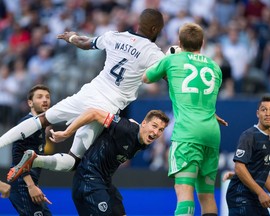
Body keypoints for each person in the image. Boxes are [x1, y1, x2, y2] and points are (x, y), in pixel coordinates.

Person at [0, 8, 165, 180]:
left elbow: (85, 43)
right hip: (104, 108)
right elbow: (170, 76)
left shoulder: (115, 36)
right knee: (73, 160)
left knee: (42, 119)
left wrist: (71, 37)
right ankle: (36, 160)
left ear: (139, 23)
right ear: (155, 30)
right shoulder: (155, 54)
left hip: (88, 92)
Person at [17, 109, 170, 215]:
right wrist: (66, 133)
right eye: (154, 126)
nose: (156, 132)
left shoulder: (143, 143)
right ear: (144, 123)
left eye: (161, 130)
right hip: (88, 179)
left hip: (105, 183)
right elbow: (94, 113)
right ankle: (34, 160)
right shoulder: (127, 128)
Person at [143, 23, 224, 216]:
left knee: (184, 191)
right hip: (212, 134)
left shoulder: (172, 60)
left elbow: (146, 78)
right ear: (202, 43)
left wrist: (169, 56)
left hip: (188, 133)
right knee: (207, 196)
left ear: (179, 42)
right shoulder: (215, 67)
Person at [225, 95, 270, 216]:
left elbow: (263, 174)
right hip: (240, 196)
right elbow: (239, 167)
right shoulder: (249, 135)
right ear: (257, 113)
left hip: (255, 197)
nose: (268, 113)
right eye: (264, 110)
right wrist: (261, 192)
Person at [7, 84, 52, 215]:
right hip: (22, 184)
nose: (45, 100)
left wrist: (34, 186)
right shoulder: (27, 123)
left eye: (47, 97)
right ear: (30, 103)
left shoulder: (40, 125)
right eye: (40, 97)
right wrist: (31, 186)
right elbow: (17, 156)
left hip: (30, 184)